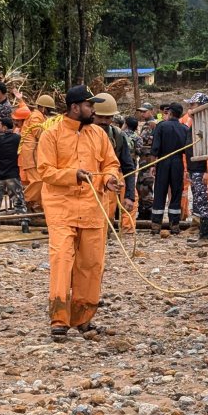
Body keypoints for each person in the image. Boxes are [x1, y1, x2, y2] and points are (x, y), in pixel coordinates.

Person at [36, 86, 120, 342]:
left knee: (91, 265)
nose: (93, 110)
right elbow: (45, 171)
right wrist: (73, 175)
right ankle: (59, 319)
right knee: (62, 261)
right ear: (75, 107)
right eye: (89, 105)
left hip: (94, 210)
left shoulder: (98, 134)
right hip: (61, 209)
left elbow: (111, 164)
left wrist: (110, 179)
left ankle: (83, 318)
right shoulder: (51, 135)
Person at [92, 93, 136, 236]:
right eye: (100, 117)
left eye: (108, 117)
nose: (104, 121)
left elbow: (129, 167)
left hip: (107, 187)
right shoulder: (79, 134)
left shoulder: (118, 136)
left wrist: (129, 196)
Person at [151, 102, 190, 235]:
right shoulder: (184, 129)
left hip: (163, 161)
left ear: (170, 113)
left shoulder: (161, 126)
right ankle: (174, 225)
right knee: (176, 192)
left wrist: (153, 165)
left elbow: (155, 149)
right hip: (178, 162)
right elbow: (188, 151)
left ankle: (156, 225)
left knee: (160, 191)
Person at [183, 93, 208, 246]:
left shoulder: (207, 125)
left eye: (192, 105)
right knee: (198, 201)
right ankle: (203, 234)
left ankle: (206, 236)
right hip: (194, 169)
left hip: (202, 170)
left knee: (204, 203)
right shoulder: (195, 124)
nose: (190, 108)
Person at [18, 94, 57, 210]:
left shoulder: (40, 116)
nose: (50, 112)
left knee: (43, 181)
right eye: (49, 109)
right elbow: (39, 133)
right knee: (38, 181)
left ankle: (39, 207)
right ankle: (23, 202)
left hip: (35, 154)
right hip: (31, 154)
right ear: (43, 108)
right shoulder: (36, 116)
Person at [136, 103, 158, 220]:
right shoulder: (147, 124)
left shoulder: (151, 125)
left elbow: (142, 140)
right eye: (141, 112)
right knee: (141, 185)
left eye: (145, 111)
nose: (142, 114)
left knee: (146, 185)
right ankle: (143, 210)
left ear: (151, 111)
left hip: (148, 158)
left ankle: (147, 211)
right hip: (145, 158)